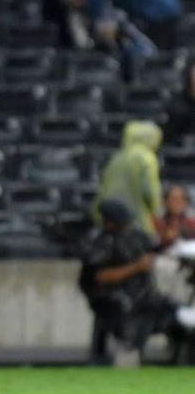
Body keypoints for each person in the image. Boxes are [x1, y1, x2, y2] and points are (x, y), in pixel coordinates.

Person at [80, 200, 195, 365]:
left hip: (144, 294)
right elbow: (100, 277)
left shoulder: (135, 235)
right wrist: (136, 267)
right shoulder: (98, 241)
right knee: (132, 311)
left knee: (177, 311)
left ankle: (180, 357)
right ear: (110, 221)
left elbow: (155, 247)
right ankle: (127, 352)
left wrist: (166, 240)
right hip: (112, 296)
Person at [94, 121, 163, 236]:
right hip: (135, 217)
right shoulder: (147, 158)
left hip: (111, 216)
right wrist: (156, 210)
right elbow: (149, 190)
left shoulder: (117, 157)